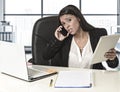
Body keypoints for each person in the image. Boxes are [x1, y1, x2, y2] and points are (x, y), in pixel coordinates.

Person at [42, 5, 119, 69]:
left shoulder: (98, 34)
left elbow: (113, 65)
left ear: (78, 18)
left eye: (69, 20)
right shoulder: (64, 39)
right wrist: (58, 40)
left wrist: (112, 58)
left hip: (92, 81)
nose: (67, 26)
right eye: (63, 23)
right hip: (67, 80)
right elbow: (46, 56)